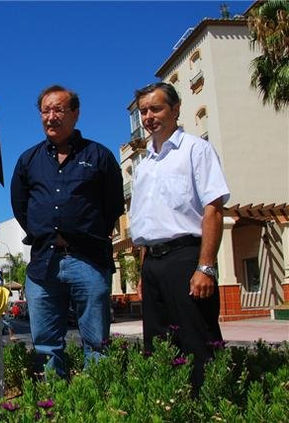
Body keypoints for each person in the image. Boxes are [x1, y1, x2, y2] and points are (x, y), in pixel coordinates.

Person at [11, 85, 124, 378]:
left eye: (58, 109)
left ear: (75, 113)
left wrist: (87, 231)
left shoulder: (99, 156)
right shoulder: (28, 160)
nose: (51, 117)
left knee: (97, 343)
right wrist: (43, 231)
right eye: (45, 110)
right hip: (43, 264)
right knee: (46, 344)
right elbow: (21, 205)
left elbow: (113, 204)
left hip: (89, 260)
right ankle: (55, 404)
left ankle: (99, 402)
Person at [130, 82, 230, 393]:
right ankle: (171, 404)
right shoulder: (144, 164)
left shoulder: (196, 150)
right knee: (159, 345)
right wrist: (144, 274)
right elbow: (149, 224)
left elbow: (213, 209)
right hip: (153, 263)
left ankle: (209, 403)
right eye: (144, 111)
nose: (148, 117)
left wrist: (206, 267)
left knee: (197, 339)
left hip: (186, 258)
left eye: (155, 108)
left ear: (175, 110)